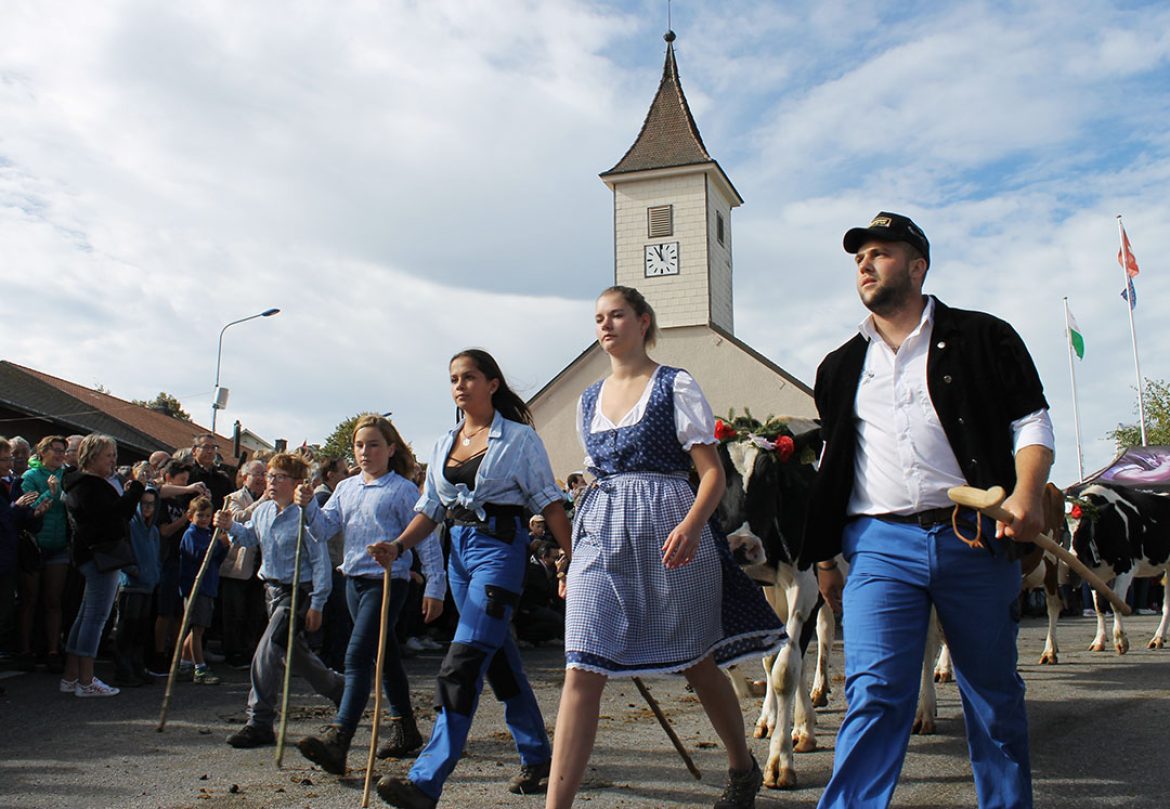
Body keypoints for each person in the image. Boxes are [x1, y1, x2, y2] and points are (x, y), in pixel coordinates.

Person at [805, 212, 1054, 809]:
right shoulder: (838, 367)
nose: (865, 264)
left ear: (918, 266)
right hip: (879, 542)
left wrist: (1025, 492)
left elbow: (1031, 419)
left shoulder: (984, 336)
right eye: (859, 257)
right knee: (874, 695)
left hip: (972, 536)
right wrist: (824, 557)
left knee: (991, 694)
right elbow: (833, 464)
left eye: (881, 253)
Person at [544, 286, 785, 809]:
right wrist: (572, 554)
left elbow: (713, 475)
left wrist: (694, 526)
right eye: (599, 318)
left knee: (697, 662)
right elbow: (594, 480)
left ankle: (741, 767)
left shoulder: (674, 385)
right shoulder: (588, 399)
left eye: (617, 316)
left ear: (643, 321)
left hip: (671, 533)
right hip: (602, 536)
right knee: (581, 665)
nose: (606, 326)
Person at [370, 349, 572, 809]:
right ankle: (538, 757)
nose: (460, 386)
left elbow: (550, 502)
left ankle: (425, 781)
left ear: (492, 384)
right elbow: (430, 511)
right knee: (499, 661)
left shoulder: (519, 440)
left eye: (470, 377)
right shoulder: (444, 443)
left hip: (500, 554)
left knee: (461, 664)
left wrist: (574, 557)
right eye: (454, 379)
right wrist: (399, 546)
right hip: (459, 555)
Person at [293, 415, 447, 775]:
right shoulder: (346, 489)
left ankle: (340, 739)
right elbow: (324, 529)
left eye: (374, 444)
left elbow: (425, 539)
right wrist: (307, 505)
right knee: (385, 655)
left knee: (358, 655)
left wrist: (436, 586)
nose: (365, 452)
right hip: (353, 581)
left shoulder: (403, 489)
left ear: (391, 449)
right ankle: (406, 729)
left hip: (388, 581)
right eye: (360, 446)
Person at [216, 453, 344, 749]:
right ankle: (339, 688)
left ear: (297, 483)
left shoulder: (305, 517)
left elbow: (321, 562)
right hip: (270, 591)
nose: (271, 482)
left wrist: (317, 604)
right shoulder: (262, 512)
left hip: (298, 592)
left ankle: (259, 721)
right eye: (270, 476)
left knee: (267, 651)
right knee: (294, 654)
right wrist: (229, 526)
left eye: (279, 477)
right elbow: (249, 539)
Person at [61, 434, 146, 697]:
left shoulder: (84, 483)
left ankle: (71, 677)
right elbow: (112, 516)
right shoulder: (88, 486)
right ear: (93, 456)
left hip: (92, 555)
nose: (113, 461)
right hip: (100, 557)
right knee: (95, 618)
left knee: (85, 615)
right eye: (109, 455)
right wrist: (136, 490)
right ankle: (86, 681)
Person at [17, 435, 69, 672]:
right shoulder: (30, 476)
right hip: (35, 545)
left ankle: (52, 650)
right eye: (56, 450)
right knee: (30, 599)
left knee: (53, 600)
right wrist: (49, 493)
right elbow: (30, 508)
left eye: (63, 451)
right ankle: (25, 650)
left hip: (59, 545)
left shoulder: (66, 476)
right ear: (43, 451)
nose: (60, 455)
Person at [0, 437, 50, 657]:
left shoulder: (14, 483)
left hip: (9, 558)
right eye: (3, 460)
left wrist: (36, 514)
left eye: (8, 458)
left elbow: (21, 521)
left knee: (5, 612)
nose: (9, 463)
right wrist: (15, 507)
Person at [219, 459, 268, 668]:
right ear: (245, 477)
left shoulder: (271, 500)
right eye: (256, 474)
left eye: (263, 474)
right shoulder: (234, 498)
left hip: (260, 565)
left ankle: (250, 650)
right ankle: (233, 652)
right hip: (238, 566)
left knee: (255, 612)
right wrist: (262, 502)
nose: (261, 478)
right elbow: (236, 518)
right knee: (234, 612)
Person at [178, 496, 230, 684]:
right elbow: (201, 555)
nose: (204, 519)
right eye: (200, 515)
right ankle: (199, 668)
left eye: (207, 515)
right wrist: (218, 544)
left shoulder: (208, 534)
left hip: (208, 586)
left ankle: (183, 664)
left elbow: (215, 559)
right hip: (195, 588)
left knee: (197, 629)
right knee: (197, 629)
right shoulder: (191, 535)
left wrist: (223, 546)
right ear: (191, 516)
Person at [113, 486, 162, 686]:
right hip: (131, 584)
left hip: (148, 585)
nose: (148, 507)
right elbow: (122, 550)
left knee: (141, 629)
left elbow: (157, 556)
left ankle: (137, 667)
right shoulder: (131, 525)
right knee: (127, 629)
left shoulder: (154, 530)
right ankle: (123, 671)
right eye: (144, 503)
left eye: (152, 503)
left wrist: (155, 574)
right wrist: (133, 570)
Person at [189, 434, 235, 510]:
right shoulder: (187, 474)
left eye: (213, 448)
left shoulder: (222, 479)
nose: (210, 451)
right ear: (194, 450)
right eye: (206, 447)